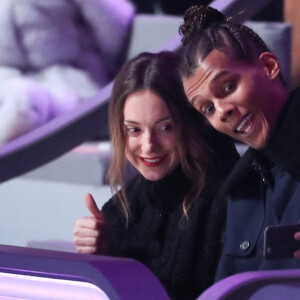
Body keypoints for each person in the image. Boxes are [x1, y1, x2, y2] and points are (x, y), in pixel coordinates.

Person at [73, 50, 239, 299]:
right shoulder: (123, 207)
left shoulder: (231, 196)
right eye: (134, 130)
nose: (148, 145)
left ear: (190, 121)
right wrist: (99, 257)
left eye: (164, 127)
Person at [179, 4, 300, 281]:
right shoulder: (240, 191)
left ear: (269, 66)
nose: (222, 111)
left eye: (228, 87)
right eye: (207, 108)